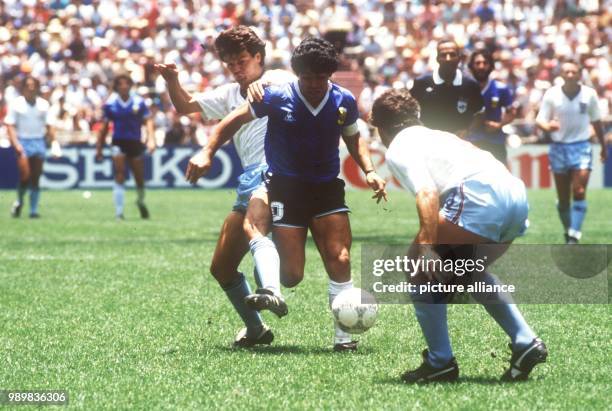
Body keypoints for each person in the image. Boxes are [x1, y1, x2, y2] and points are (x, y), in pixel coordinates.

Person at [185, 37, 387, 351]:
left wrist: (370, 170)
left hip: (326, 188)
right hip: (285, 189)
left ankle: (343, 339)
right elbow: (231, 122)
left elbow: (353, 137)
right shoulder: (276, 95)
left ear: (330, 75)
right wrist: (207, 151)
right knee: (292, 275)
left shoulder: (343, 99)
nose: (316, 84)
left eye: (322, 77)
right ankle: (270, 285)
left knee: (340, 257)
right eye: (308, 78)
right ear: (298, 75)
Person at [370, 88, 547, 383]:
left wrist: (426, 248)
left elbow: (426, 192)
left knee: (417, 267)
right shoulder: (437, 135)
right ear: (416, 116)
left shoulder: (399, 146)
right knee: (467, 271)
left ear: (380, 126)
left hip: (478, 195)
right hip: (514, 192)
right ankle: (525, 342)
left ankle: (440, 362)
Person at [155, 26, 295, 347]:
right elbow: (186, 105)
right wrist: (173, 81)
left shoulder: (278, 79)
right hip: (249, 179)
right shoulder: (230, 93)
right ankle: (257, 329)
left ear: (258, 57)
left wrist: (264, 83)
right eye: (230, 63)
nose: (236, 68)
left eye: (242, 61)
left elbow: (292, 86)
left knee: (262, 238)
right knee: (221, 267)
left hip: (278, 173)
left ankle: (273, 290)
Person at [535, 59, 607, 244]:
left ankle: (574, 234)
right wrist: (548, 127)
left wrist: (603, 148)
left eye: (573, 72)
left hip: (582, 146)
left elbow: (597, 121)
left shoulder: (589, 94)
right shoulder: (552, 94)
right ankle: (568, 230)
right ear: (561, 74)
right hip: (559, 148)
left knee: (579, 190)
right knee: (564, 198)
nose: (569, 75)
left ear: (579, 74)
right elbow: (540, 120)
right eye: (566, 72)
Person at [96, 74, 156, 220]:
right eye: (120, 84)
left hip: (135, 142)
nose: (123, 86)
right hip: (118, 142)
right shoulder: (110, 104)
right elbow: (104, 127)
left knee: (139, 177)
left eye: (126, 83)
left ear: (130, 85)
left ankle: (140, 201)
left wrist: (151, 139)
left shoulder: (139, 102)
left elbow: (148, 121)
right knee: (120, 174)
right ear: (116, 86)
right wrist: (99, 148)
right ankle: (119, 212)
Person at [5, 76, 60, 218]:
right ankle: (20, 200)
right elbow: (10, 125)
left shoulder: (43, 105)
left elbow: (50, 125)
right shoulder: (16, 104)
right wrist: (16, 143)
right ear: (23, 88)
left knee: (36, 177)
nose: (31, 88)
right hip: (23, 141)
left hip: (38, 140)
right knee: (25, 175)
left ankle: (33, 210)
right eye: (28, 85)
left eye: (33, 85)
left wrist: (54, 143)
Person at [410, 38, 483, 137]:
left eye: (452, 55)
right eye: (443, 55)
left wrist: (467, 130)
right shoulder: (422, 83)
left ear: (459, 58)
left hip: (460, 142)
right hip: (429, 141)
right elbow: (411, 112)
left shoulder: (471, 84)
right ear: (437, 58)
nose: (448, 59)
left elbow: (479, 113)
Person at [467, 49, 517, 164]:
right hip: (471, 143)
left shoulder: (501, 88)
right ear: (471, 66)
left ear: (491, 66)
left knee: (499, 180)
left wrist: (499, 125)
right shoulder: (465, 88)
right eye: (477, 63)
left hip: (495, 142)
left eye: (485, 63)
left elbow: (512, 112)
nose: (481, 66)